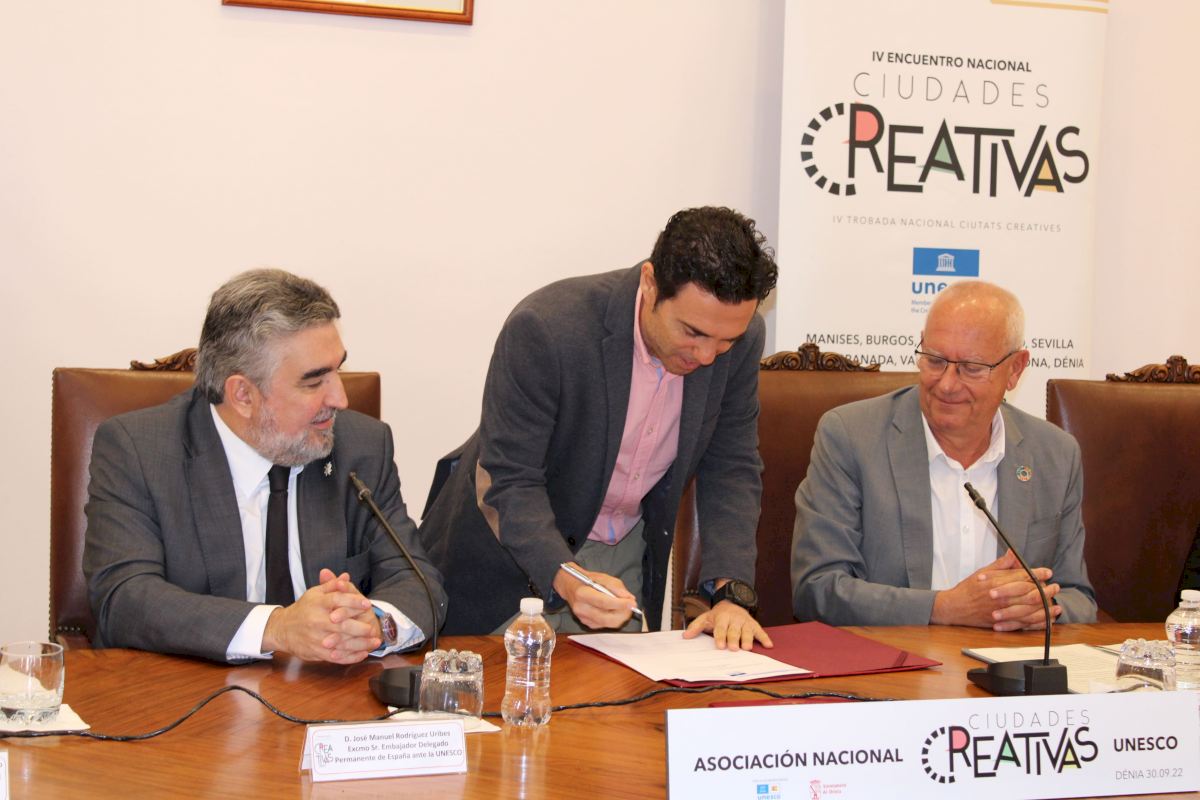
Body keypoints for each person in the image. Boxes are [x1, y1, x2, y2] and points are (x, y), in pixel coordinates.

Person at [420, 206, 778, 649]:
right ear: (650, 284)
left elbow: (732, 465)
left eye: (726, 341)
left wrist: (731, 593)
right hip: (507, 560)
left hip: (618, 555)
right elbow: (510, 478)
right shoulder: (548, 328)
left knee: (616, 693)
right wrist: (565, 576)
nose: (707, 356)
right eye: (692, 332)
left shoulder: (741, 338)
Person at [84, 269, 446, 664]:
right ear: (242, 394)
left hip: (328, 691)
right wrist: (277, 628)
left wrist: (375, 625)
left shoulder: (362, 446)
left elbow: (418, 582)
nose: (340, 399)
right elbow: (124, 599)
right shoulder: (139, 451)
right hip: (190, 690)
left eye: (337, 370)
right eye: (314, 382)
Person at [791, 280, 1097, 629]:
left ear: (1015, 369)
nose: (947, 384)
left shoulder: (1054, 454)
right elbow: (817, 589)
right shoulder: (851, 436)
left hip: (1009, 659)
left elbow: (1078, 598)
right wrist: (944, 608)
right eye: (935, 361)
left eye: (971, 368)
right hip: (894, 659)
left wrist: (1037, 609)